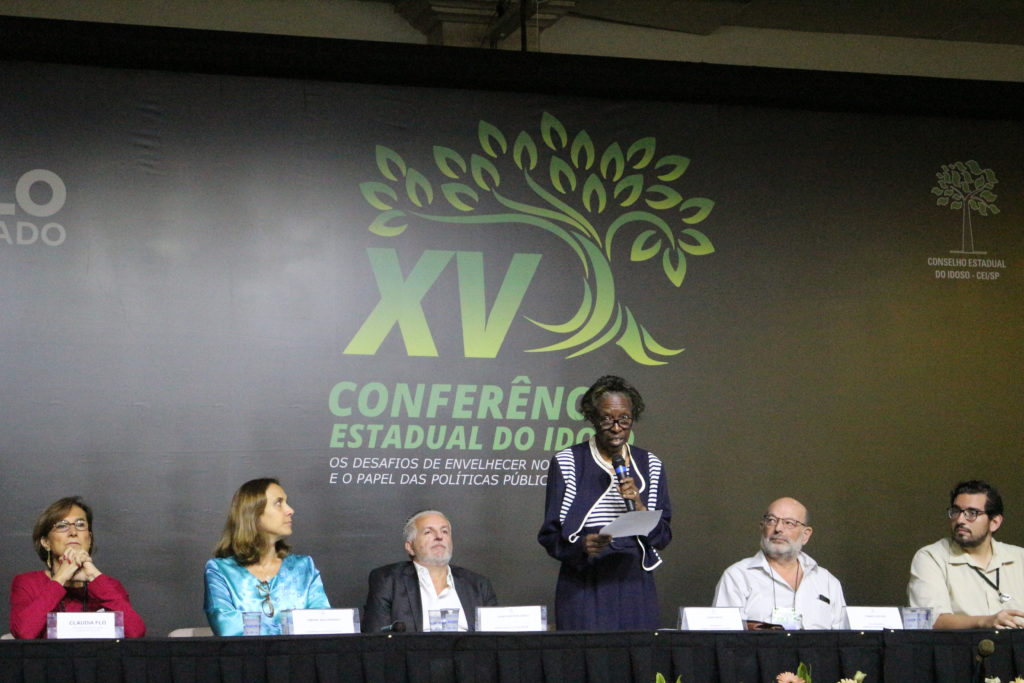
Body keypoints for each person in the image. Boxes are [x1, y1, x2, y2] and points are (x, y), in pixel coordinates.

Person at [537, 374, 672, 630]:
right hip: (584, 583)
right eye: (607, 419)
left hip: (634, 583)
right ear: (592, 418)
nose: (617, 427)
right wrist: (580, 547)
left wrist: (641, 507)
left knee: (636, 661)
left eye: (624, 419)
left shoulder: (650, 465)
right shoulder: (568, 462)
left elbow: (663, 536)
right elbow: (549, 535)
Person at [204, 478, 330, 635]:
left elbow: (323, 625)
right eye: (279, 503)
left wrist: (257, 627)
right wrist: (290, 629)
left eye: (286, 502)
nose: (290, 510)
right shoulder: (220, 571)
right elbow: (229, 628)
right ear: (253, 514)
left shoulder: (304, 567)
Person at [9, 496, 146, 639]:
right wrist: (60, 578)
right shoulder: (27, 583)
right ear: (46, 542)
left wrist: (94, 576)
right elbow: (23, 633)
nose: (73, 532)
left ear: (90, 538)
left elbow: (135, 632)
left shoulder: (109, 585)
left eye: (80, 525)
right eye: (62, 526)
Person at [712, 497, 845, 630]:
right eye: (771, 520)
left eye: (789, 523)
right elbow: (722, 639)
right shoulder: (737, 577)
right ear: (762, 527)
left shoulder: (827, 581)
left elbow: (844, 640)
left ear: (805, 535)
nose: (778, 528)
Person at [908, 480, 1024, 629]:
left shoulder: (1020, 558)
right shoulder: (931, 557)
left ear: (994, 522)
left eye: (972, 513)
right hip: (959, 650)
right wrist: (986, 622)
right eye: (956, 511)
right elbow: (929, 621)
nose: (960, 520)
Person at [362, 510, 497, 632]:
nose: (439, 536)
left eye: (444, 531)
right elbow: (376, 639)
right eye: (428, 532)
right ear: (410, 547)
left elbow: (495, 640)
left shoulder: (478, 585)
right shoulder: (388, 581)